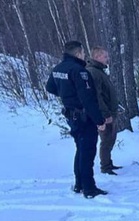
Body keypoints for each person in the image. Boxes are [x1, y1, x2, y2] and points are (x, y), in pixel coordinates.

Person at [46, 40, 108, 198]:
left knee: (80, 149)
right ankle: (89, 187)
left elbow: (50, 87)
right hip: (83, 116)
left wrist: (66, 94)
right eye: (83, 52)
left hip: (70, 115)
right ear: (78, 53)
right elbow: (88, 99)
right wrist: (99, 121)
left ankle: (79, 183)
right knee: (87, 152)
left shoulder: (58, 68)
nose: (84, 55)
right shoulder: (79, 71)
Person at [86, 46, 122, 175]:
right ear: (97, 57)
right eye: (105, 56)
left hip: (110, 111)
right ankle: (105, 166)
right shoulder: (93, 72)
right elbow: (97, 96)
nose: (108, 59)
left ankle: (108, 163)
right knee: (106, 140)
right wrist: (105, 114)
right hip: (104, 114)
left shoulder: (100, 71)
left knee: (111, 138)